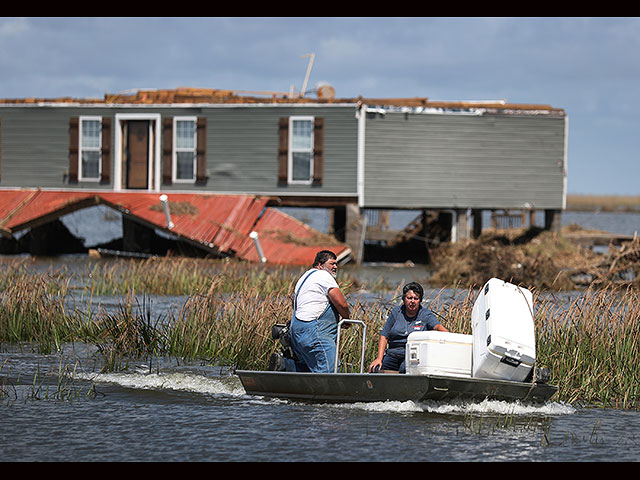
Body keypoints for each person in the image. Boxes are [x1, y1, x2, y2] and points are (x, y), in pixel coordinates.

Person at [274, 250, 350, 373]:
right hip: (315, 332)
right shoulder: (324, 275)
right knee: (330, 370)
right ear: (320, 265)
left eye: (336, 264)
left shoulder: (304, 278)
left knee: (309, 370)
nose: (335, 267)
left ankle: (285, 366)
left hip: (296, 331)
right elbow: (341, 304)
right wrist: (347, 319)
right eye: (332, 263)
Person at [368, 281, 448, 374]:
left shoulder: (426, 314)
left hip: (412, 356)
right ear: (404, 299)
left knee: (404, 369)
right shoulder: (395, 312)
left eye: (416, 298)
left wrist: (445, 334)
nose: (412, 301)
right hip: (393, 354)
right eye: (409, 298)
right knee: (375, 369)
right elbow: (384, 335)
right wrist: (379, 358)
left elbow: (437, 326)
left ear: (420, 300)